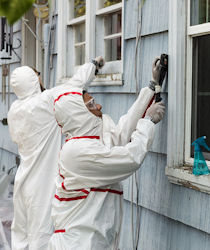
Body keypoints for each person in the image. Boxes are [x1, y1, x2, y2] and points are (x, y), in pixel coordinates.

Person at [48, 57, 165, 250]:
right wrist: (148, 122)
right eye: (92, 104)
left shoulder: (89, 140)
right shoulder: (77, 152)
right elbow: (129, 159)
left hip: (93, 240)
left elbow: (121, 134)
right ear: (79, 114)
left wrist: (151, 88)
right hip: (78, 244)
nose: (99, 106)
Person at [7, 59, 101, 250]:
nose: (40, 79)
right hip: (42, 184)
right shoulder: (45, 101)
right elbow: (74, 84)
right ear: (33, 81)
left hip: (22, 181)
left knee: (20, 237)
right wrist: (93, 64)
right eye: (37, 77)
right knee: (40, 238)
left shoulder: (14, 110)